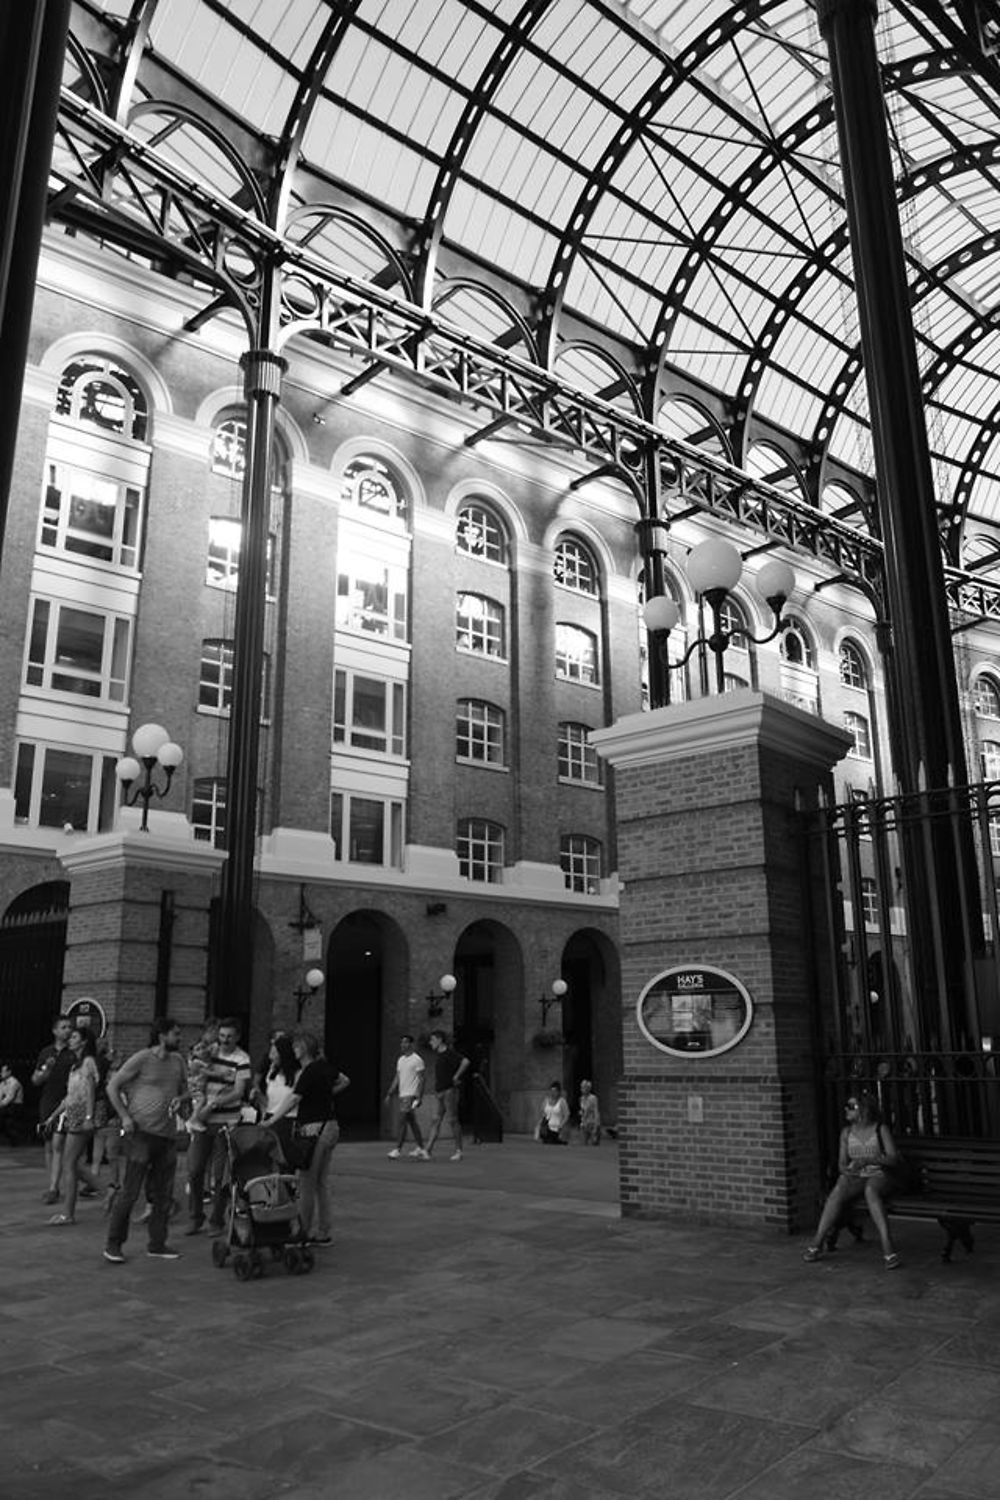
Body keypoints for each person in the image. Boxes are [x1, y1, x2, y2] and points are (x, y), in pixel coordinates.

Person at [103, 1017, 189, 1263]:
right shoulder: (142, 1058)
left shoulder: (178, 1061)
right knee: (130, 1191)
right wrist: (124, 1116)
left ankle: (158, 1243)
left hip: (167, 1135)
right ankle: (114, 1243)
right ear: (162, 1035)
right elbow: (113, 1086)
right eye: (176, 1033)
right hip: (140, 1132)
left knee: (162, 1192)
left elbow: (187, 1089)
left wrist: (181, 1099)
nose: (179, 1038)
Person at [261, 1030, 349, 1246]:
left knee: (307, 1182)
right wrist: (326, 1094)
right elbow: (345, 1080)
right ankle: (324, 1231)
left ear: (303, 1049)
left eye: (296, 1047)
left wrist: (271, 1121)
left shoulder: (308, 1071)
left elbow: (293, 1099)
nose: (293, 1051)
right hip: (331, 1126)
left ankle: (303, 1231)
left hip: (315, 1128)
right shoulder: (325, 1067)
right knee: (321, 1182)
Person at [803, 1090, 902, 1269]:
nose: (846, 1109)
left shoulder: (880, 1129)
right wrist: (847, 1171)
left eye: (851, 1106)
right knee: (839, 1188)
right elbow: (841, 1163)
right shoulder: (846, 1133)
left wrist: (868, 1160)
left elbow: (893, 1158)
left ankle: (887, 1245)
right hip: (858, 1175)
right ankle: (818, 1241)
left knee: (871, 1190)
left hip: (880, 1174)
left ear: (863, 1109)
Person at [185, 1016, 251, 1237]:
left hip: (225, 1122)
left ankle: (216, 1220)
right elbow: (195, 1068)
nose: (224, 1041)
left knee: (220, 1174)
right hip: (203, 1122)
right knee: (194, 1170)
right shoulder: (210, 1051)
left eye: (229, 1037)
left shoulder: (242, 1059)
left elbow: (238, 1092)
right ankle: (195, 1217)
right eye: (222, 1036)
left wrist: (213, 1104)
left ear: (237, 1037)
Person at [42, 1026, 102, 1224]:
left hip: (81, 1114)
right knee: (72, 1164)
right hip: (72, 1113)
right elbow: (70, 1096)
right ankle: (109, 1188)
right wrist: (54, 1116)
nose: (70, 1038)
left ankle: (68, 1213)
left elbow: (90, 1092)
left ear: (84, 1041)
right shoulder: (75, 1065)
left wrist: (88, 1117)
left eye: (75, 1036)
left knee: (69, 1163)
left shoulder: (88, 1062)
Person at [32, 1015, 74, 1202]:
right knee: (49, 1145)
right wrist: (45, 1071)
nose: (68, 1030)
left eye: (69, 1027)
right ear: (55, 1031)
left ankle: (54, 1187)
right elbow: (35, 1080)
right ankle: (53, 1184)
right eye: (64, 1027)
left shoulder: (73, 1052)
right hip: (48, 1101)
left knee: (59, 1144)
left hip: (66, 1102)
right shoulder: (46, 1052)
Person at [425, 1030, 469, 1161]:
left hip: (450, 1091)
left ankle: (459, 1150)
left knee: (452, 1120)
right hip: (440, 1091)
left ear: (439, 1040)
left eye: (432, 1040)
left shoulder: (449, 1053)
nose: (430, 1042)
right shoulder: (439, 1055)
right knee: (435, 1120)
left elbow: (466, 1061)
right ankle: (428, 1150)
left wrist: (456, 1076)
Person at [385, 1034, 428, 1159]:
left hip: (411, 1094)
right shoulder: (401, 1060)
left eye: (405, 1042)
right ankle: (421, 1148)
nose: (402, 1045)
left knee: (402, 1121)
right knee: (412, 1122)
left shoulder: (417, 1060)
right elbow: (397, 1077)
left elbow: (422, 1079)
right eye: (401, 1042)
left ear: (411, 1044)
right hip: (402, 1094)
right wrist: (390, 1093)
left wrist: (419, 1096)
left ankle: (397, 1149)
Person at [0, 1062, 25, 1143]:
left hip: (16, 1106)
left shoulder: (14, 1083)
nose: (1, 1073)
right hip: (6, 1106)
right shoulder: (2, 1084)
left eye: (3, 1071)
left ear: (9, 1072)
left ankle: (14, 1139)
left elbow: (9, 1098)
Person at [579, 1079, 601, 1145]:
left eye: (584, 1087)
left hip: (592, 1123)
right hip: (584, 1124)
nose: (582, 1089)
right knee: (584, 1143)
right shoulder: (581, 1099)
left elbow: (596, 1111)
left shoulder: (593, 1098)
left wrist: (596, 1125)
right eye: (582, 1087)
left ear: (588, 1088)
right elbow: (583, 1110)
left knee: (594, 1143)